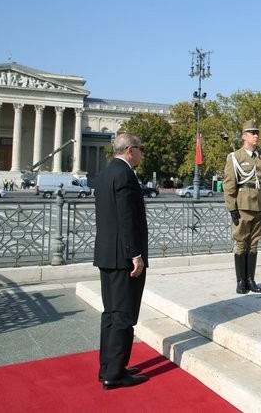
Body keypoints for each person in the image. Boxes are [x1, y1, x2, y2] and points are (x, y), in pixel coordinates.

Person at [93, 133, 149, 389]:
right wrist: (134, 254)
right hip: (123, 257)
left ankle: (107, 366)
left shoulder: (105, 173)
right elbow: (127, 219)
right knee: (124, 316)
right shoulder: (125, 175)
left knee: (110, 314)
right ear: (129, 150)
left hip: (106, 254)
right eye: (140, 149)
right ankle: (115, 374)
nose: (141, 153)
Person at [224, 119, 261, 294]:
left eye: (257, 132)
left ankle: (251, 279)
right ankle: (240, 281)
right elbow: (229, 184)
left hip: (259, 205)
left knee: (254, 244)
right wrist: (232, 208)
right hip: (242, 205)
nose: (256, 135)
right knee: (241, 243)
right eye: (252, 133)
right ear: (244, 136)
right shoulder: (235, 157)